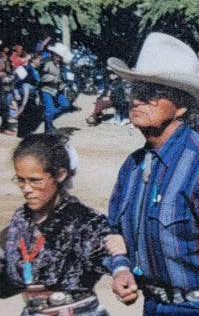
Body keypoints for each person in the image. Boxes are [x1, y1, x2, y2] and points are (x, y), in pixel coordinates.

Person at [106, 33, 199, 315]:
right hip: (153, 305)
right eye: (135, 90)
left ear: (182, 106)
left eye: (152, 92)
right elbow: (113, 231)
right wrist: (121, 268)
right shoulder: (134, 166)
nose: (138, 100)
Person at [0, 133, 130, 315]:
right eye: (21, 180)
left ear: (60, 175)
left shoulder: (83, 220)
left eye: (35, 181)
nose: (27, 189)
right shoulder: (20, 220)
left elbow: (113, 258)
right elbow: (8, 273)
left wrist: (121, 272)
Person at [40, 43, 72, 133]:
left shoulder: (62, 66)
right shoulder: (47, 63)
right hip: (47, 89)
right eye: (57, 55)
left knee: (65, 105)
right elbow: (41, 77)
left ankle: (48, 118)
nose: (58, 57)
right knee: (49, 111)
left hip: (57, 90)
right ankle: (48, 131)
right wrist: (52, 79)